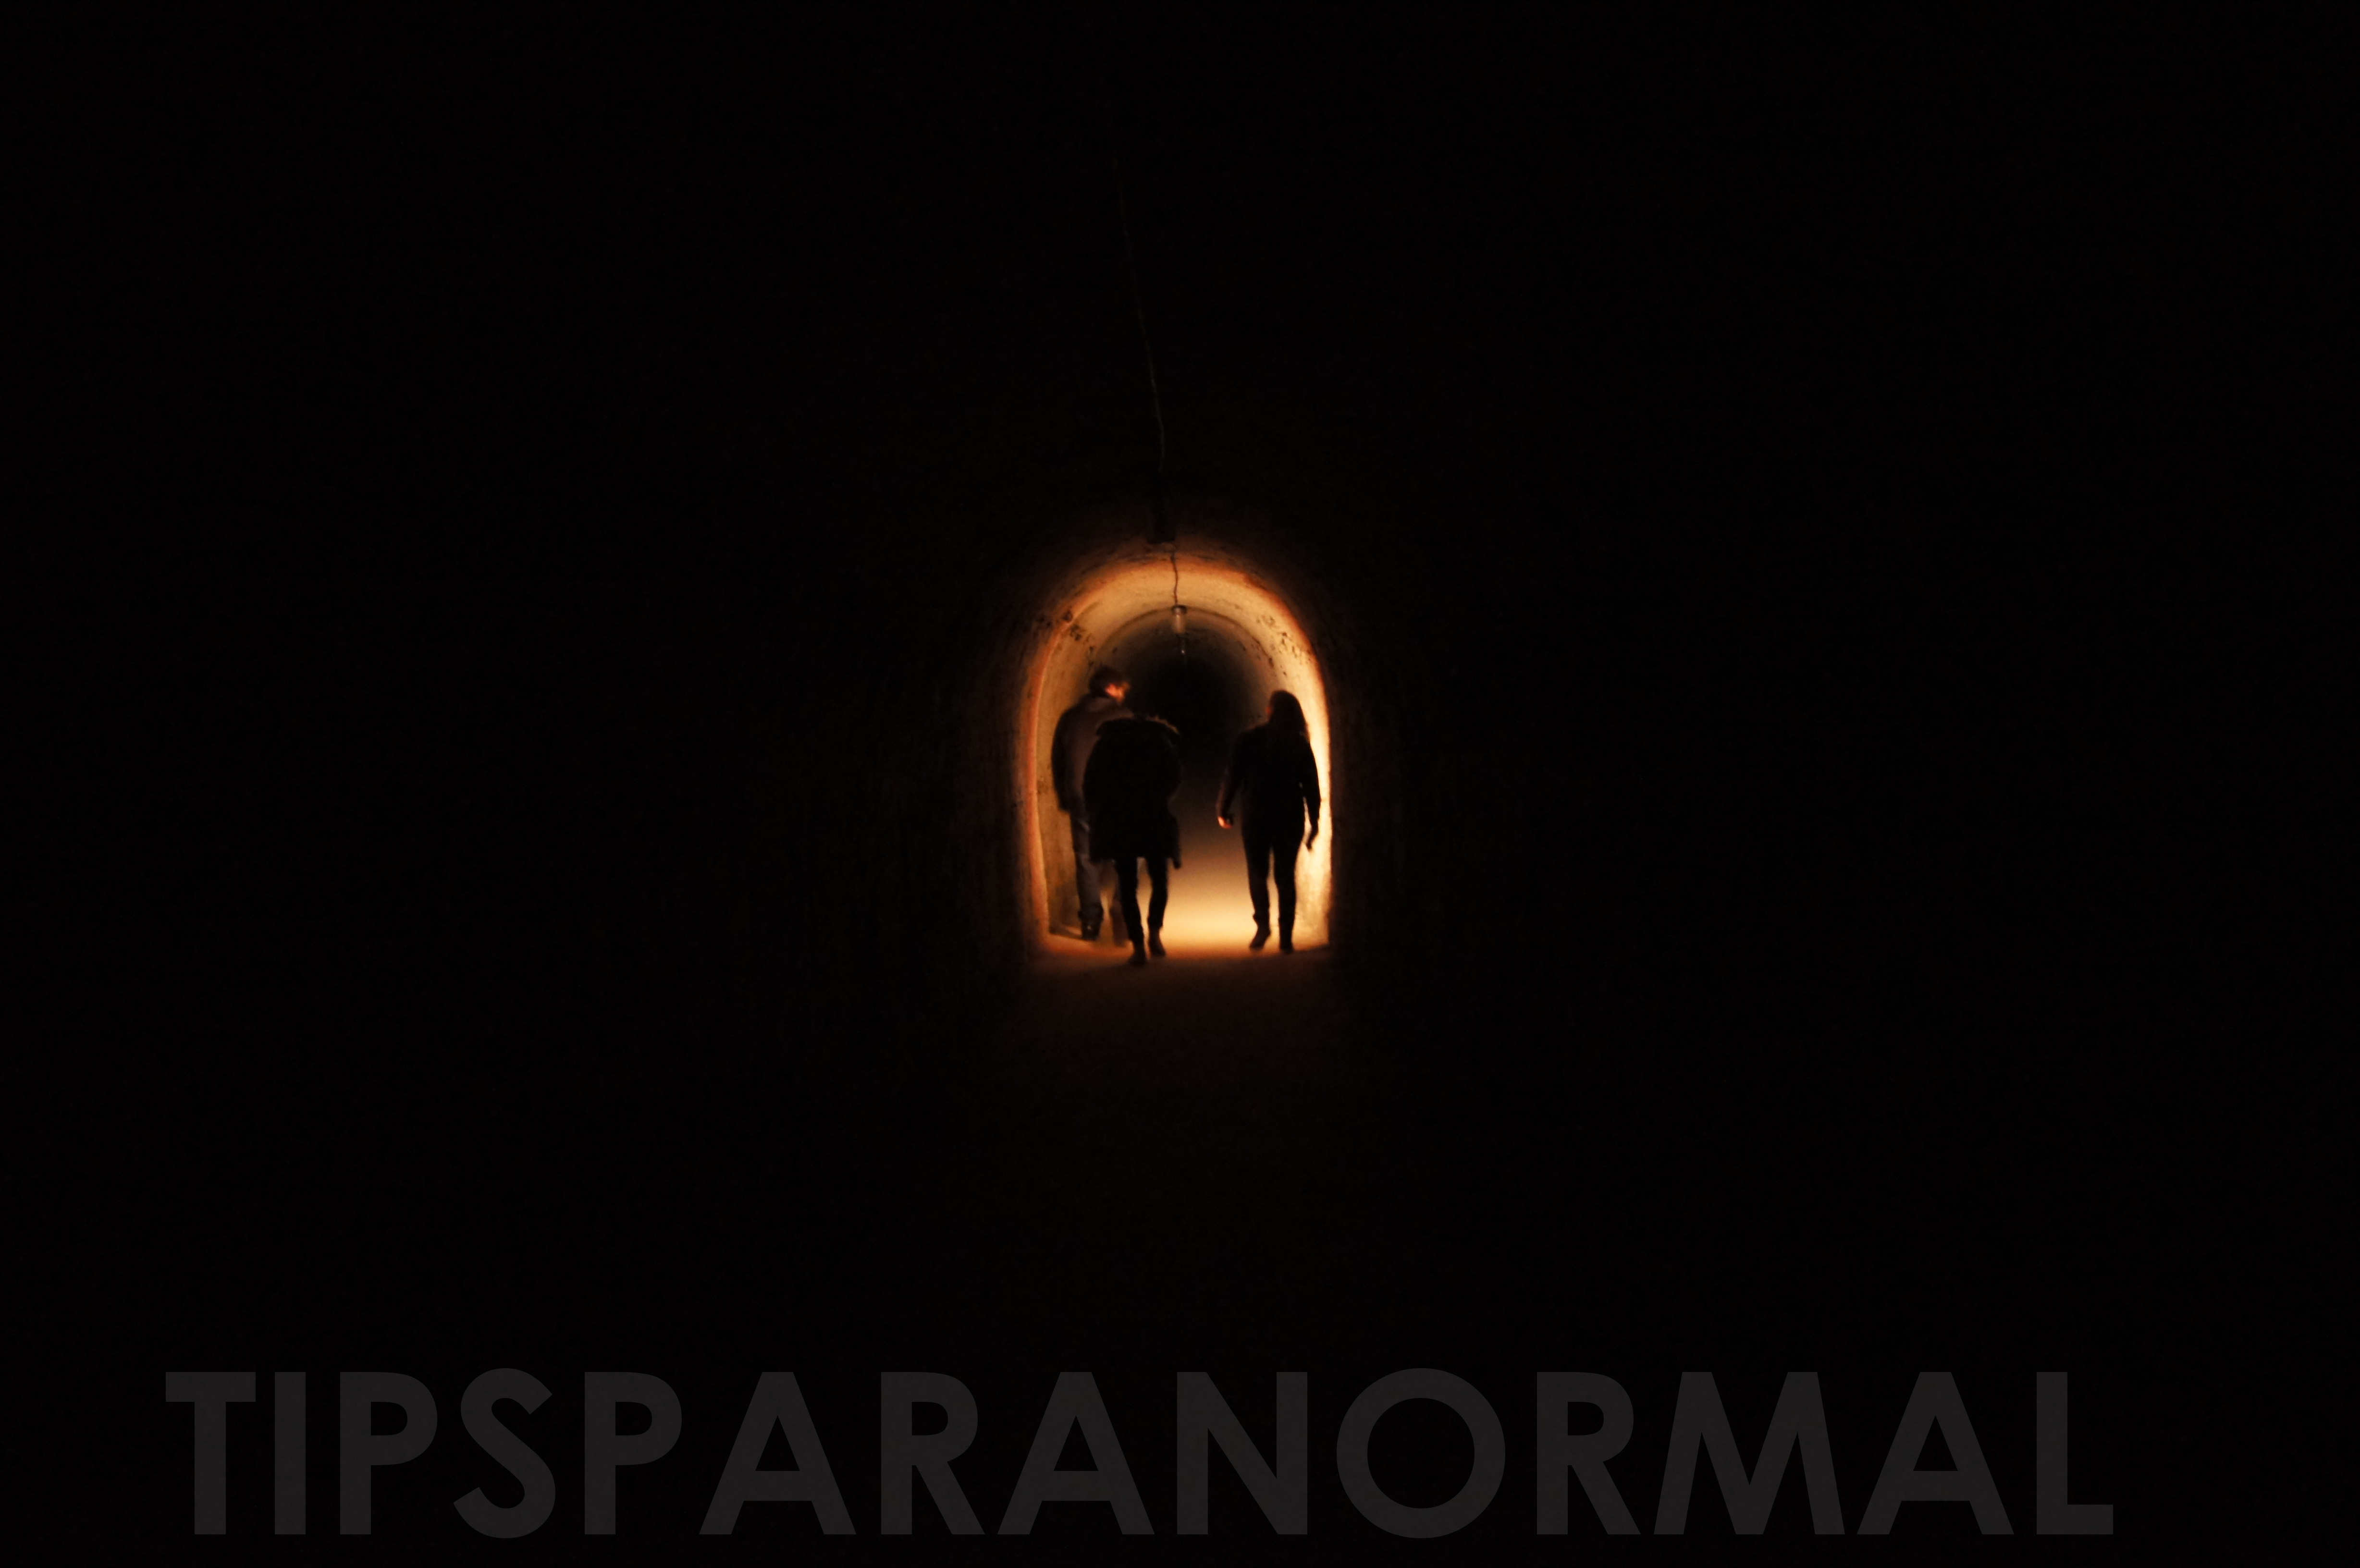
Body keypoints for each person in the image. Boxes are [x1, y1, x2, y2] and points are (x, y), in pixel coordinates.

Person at [1217, 690, 1321, 952]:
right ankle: (1286, 937)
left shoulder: (1250, 739)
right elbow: (1311, 785)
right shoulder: (1299, 744)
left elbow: (1233, 776)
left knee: (1257, 872)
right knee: (1286, 876)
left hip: (1257, 814)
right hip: (1290, 816)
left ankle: (1263, 926)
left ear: (1269, 711)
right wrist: (1315, 821)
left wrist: (1223, 809)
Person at [1083, 707, 1183, 966]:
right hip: (1154, 818)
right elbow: (1174, 777)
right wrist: (1159, 799)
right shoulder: (1160, 741)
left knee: (1128, 885)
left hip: (1121, 821)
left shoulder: (1107, 744)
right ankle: (1155, 935)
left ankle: (1138, 945)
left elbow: (1091, 783)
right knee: (1160, 879)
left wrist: (1103, 810)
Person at [1049, 666, 1128, 941]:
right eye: (1122, 689)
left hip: (1080, 797)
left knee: (1086, 858)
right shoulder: (1122, 717)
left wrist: (1064, 796)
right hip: (1116, 798)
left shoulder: (1070, 718)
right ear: (1112, 688)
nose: (1123, 695)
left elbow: (1059, 760)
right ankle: (1121, 905)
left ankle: (1091, 923)